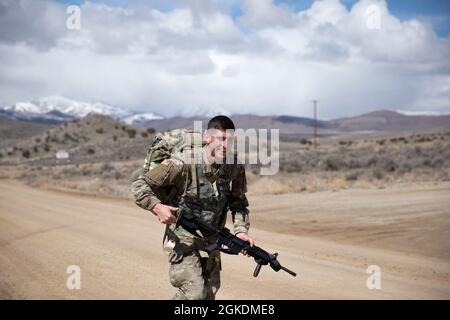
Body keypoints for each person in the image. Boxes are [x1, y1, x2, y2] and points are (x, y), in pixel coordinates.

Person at [131, 115, 254, 300]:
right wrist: (157, 207)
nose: (226, 146)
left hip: (213, 237)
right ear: (207, 137)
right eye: (221, 139)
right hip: (183, 236)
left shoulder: (234, 166)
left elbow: (239, 203)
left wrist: (240, 231)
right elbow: (140, 185)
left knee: (208, 294)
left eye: (231, 140)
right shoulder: (182, 163)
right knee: (194, 293)